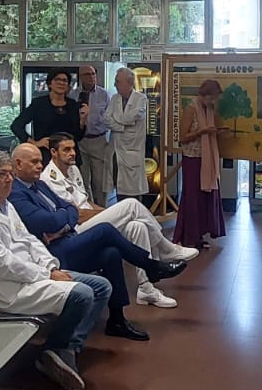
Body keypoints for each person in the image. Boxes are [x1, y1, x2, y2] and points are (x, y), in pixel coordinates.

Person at [0, 150, 109, 390]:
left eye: (10, 174)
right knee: (82, 294)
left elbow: (29, 240)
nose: (9, 180)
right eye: (2, 174)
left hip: (33, 274)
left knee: (101, 286)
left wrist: (51, 266)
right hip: (10, 288)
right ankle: (56, 350)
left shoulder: (5, 205)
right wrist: (47, 275)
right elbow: (5, 265)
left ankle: (65, 349)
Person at [8, 143, 184, 335]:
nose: (39, 166)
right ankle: (151, 266)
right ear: (18, 164)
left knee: (111, 253)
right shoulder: (16, 193)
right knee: (105, 230)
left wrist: (63, 218)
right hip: (52, 254)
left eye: (40, 161)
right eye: (34, 162)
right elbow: (46, 222)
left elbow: (70, 208)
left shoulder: (40, 185)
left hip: (67, 238)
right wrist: (64, 216)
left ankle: (117, 320)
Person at [42, 132, 198, 293]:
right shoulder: (48, 179)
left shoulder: (73, 169)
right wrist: (114, 214)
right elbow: (77, 215)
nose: (73, 153)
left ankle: (146, 289)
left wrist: (109, 213)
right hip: (75, 232)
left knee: (137, 226)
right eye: (66, 150)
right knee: (130, 205)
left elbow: (86, 202)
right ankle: (167, 249)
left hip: (89, 222)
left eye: (73, 149)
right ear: (54, 153)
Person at [174, 78, 228, 247]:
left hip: (206, 158)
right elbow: (182, 137)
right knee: (192, 198)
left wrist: (216, 132)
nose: (214, 101)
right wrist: (202, 131)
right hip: (193, 159)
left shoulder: (208, 109)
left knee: (205, 196)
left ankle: (199, 234)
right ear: (206, 95)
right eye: (213, 97)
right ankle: (189, 236)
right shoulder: (191, 109)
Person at [103, 67, 151, 207]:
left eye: (117, 82)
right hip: (115, 151)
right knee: (119, 188)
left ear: (129, 82)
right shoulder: (114, 98)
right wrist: (121, 126)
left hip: (132, 151)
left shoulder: (141, 98)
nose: (114, 85)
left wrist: (117, 121)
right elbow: (106, 119)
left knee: (133, 194)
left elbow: (131, 117)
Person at [12, 69, 82, 160]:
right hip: (46, 154)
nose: (61, 83)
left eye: (65, 80)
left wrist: (83, 121)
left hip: (70, 154)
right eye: (57, 80)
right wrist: (34, 143)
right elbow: (16, 126)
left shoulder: (73, 105)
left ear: (68, 85)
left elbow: (78, 136)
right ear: (49, 83)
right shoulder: (39, 104)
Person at [76, 63, 113, 206]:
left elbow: (110, 118)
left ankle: (102, 209)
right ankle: (88, 209)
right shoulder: (74, 94)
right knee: (82, 179)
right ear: (80, 77)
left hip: (99, 140)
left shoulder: (104, 94)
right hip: (80, 141)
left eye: (93, 74)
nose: (91, 77)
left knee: (99, 180)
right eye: (87, 74)